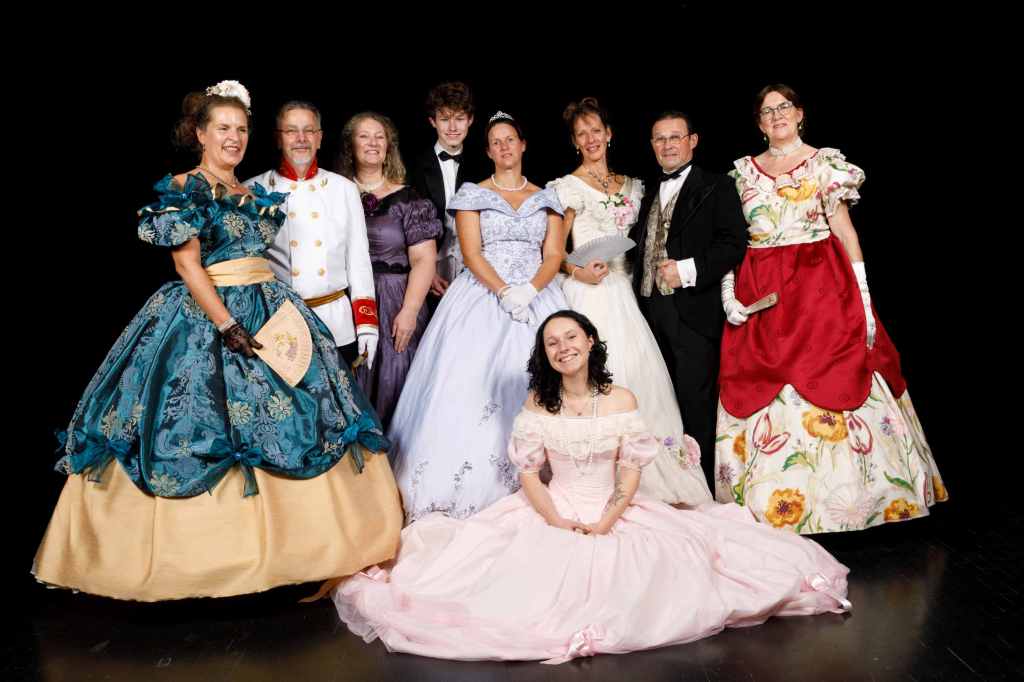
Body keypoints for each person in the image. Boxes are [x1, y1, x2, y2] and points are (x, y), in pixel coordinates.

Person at [32, 81, 402, 601]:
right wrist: (227, 324)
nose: (233, 138)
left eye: (241, 130)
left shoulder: (253, 191)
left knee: (294, 420)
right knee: (199, 424)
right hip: (208, 316)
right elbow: (186, 264)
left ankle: (304, 553)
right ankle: (205, 563)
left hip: (271, 308)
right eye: (223, 129)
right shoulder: (186, 188)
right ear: (200, 133)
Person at [332, 310, 850, 664]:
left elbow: (631, 468)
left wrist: (608, 518)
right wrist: (556, 520)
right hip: (550, 508)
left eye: (571, 339)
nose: (563, 348)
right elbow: (529, 473)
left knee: (666, 574)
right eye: (552, 343)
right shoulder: (539, 401)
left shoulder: (621, 399)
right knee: (492, 587)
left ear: (591, 343)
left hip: (614, 505)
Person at [715, 84, 947, 533]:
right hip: (762, 289)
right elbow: (731, 241)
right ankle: (770, 508)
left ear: (799, 115)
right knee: (759, 381)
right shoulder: (741, 174)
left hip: (820, 287)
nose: (777, 115)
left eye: (784, 107)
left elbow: (844, 230)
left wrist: (862, 293)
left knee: (837, 372)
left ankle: (855, 505)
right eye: (768, 111)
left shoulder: (826, 164)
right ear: (759, 123)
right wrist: (729, 294)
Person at [387, 112, 568, 522]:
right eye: (496, 143)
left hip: (537, 295)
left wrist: (530, 290)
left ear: (523, 145)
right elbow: (471, 253)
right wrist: (504, 290)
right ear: (488, 151)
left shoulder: (547, 198)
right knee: (470, 386)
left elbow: (554, 255)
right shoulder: (472, 194)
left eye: (510, 140)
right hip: (483, 295)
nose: (504, 148)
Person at [547, 97, 710, 506]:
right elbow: (550, 254)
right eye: (581, 133)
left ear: (609, 134)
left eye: (596, 130)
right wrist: (576, 270)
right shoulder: (566, 188)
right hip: (587, 294)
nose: (590, 139)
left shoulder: (636, 187)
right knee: (595, 379)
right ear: (574, 141)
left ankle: (652, 477)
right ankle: (592, 479)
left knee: (640, 379)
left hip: (627, 293)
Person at [629, 111, 748, 488]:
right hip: (647, 309)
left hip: (693, 310)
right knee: (656, 401)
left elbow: (732, 244)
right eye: (660, 139)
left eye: (675, 137)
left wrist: (688, 270)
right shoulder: (647, 191)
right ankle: (668, 485)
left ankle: (704, 490)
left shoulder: (717, 186)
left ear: (692, 140)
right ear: (652, 145)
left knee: (694, 403)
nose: (667, 145)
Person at [246, 100, 378, 367]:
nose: (301, 139)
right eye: (291, 131)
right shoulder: (252, 190)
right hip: (279, 323)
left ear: (319, 138)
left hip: (335, 323)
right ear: (278, 138)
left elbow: (358, 260)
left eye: (309, 131)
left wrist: (367, 325)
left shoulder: (344, 189)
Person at [338, 111, 441, 429]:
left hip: (398, 298)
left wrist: (409, 310)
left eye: (379, 136)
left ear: (389, 147)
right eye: (364, 136)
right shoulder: (333, 194)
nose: (372, 143)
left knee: (396, 379)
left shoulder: (409, 199)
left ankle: (393, 470)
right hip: (347, 299)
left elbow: (424, 260)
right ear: (350, 146)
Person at [408, 81, 482, 314]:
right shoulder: (413, 166)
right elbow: (404, 227)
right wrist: (425, 274)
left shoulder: (484, 165)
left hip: (473, 270)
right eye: (444, 118)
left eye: (459, 118)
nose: (452, 127)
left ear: (470, 120)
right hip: (428, 267)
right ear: (432, 121)